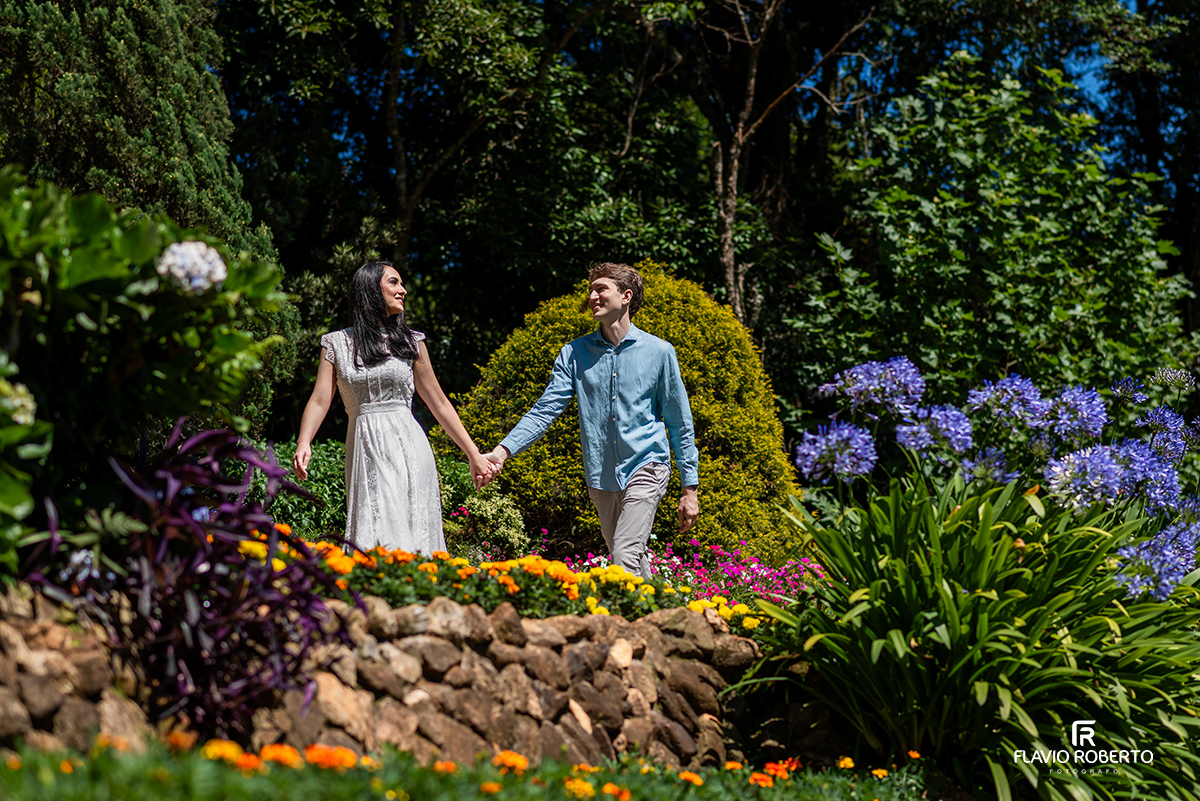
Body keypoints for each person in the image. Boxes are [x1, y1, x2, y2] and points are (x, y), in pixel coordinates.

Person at [486, 262, 699, 578]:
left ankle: (619, 625)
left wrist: (689, 488)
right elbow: (545, 410)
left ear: (626, 296)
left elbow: (679, 422)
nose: (593, 296)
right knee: (628, 556)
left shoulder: (659, 352)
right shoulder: (574, 354)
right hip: (600, 475)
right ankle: (662, 618)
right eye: (591, 290)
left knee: (625, 553)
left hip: (648, 464)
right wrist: (502, 452)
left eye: (601, 289)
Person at [293, 260, 495, 554]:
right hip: (364, 445)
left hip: (409, 447)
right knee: (375, 528)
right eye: (394, 282)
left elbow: (438, 402)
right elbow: (320, 399)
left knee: (412, 531)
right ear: (370, 289)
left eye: (401, 283)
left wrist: (473, 454)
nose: (403, 290)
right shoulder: (336, 343)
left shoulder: (411, 342)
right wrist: (304, 440)